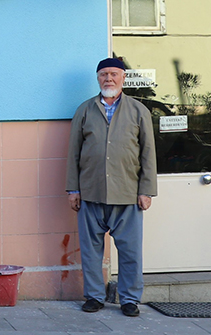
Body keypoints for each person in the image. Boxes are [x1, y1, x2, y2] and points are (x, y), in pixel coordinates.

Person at [66, 57, 157, 317]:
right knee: (91, 250)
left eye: (114, 74)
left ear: (123, 78)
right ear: (97, 78)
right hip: (90, 192)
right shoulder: (85, 110)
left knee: (130, 251)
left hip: (127, 193)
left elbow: (148, 154)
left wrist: (146, 190)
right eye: (104, 74)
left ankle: (129, 299)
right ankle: (94, 296)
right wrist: (73, 189)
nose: (109, 79)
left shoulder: (139, 111)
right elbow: (73, 152)